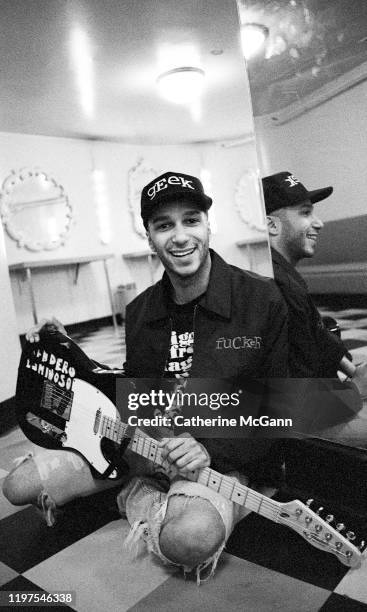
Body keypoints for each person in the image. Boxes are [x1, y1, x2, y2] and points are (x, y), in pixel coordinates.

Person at [3, 171, 289, 582]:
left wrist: (209, 444)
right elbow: (134, 399)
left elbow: (282, 401)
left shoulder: (261, 299)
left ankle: (147, 499)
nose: (180, 236)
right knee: (17, 485)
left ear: (209, 224)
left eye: (191, 220)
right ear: (149, 236)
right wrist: (66, 355)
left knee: (188, 541)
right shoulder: (139, 313)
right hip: (144, 448)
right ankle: (147, 493)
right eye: (163, 225)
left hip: (224, 456)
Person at [263, 170, 367, 400]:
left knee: (328, 325)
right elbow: (299, 405)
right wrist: (358, 389)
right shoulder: (277, 289)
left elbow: (317, 333)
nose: (318, 223)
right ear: (271, 225)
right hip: (301, 421)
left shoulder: (282, 276)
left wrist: (354, 372)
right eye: (306, 213)